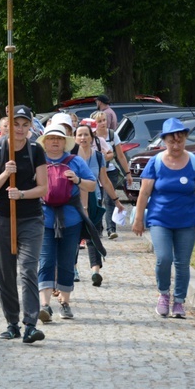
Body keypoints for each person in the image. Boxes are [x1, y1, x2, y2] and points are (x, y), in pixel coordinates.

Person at [132, 118, 195, 319]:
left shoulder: (194, 161)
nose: (176, 146)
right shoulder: (155, 162)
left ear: (185, 140)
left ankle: (179, 301)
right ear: (164, 141)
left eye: (180, 141)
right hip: (160, 219)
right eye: (171, 142)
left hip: (186, 220)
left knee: (182, 263)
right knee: (164, 258)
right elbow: (144, 193)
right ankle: (164, 294)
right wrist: (139, 218)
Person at [0, 106, 48, 344]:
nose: (20, 129)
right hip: (1, 218)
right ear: (8, 126)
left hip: (31, 218)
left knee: (29, 269)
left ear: (30, 126)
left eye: (24, 124)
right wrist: (5, 174)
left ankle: (30, 324)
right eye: (16, 124)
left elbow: (43, 188)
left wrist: (20, 194)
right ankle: (12, 323)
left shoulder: (35, 150)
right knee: (5, 273)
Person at [36, 124, 96, 322]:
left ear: (65, 142)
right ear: (45, 142)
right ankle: (44, 305)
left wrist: (77, 180)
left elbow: (92, 184)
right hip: (44, 219)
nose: (55, 142)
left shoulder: (75, 161)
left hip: (71, 220)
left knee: (67, 262)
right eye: (51, 138)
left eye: (59, 139)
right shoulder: (38, 161)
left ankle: (65, 302)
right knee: (45, 260)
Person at [72, 123, 124, 287]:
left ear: (92, 137)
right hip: (73, 201)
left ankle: (96, 271)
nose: (82, 138)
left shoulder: (99, 156)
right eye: (79, 135)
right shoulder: (70, 156)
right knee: (73, 237)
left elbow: (105, 181)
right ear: (74, 138)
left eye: (86, 135)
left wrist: (116, 200)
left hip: (94, 200)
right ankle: (72, 269)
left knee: (93, 236)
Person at [92, 110, 133, 239]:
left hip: (110, 171)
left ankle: (111, 229)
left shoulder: (112, 134)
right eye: (99, 121)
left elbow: (120, 155)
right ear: (94, 123)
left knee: (110, 199)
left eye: (104, 120)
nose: (103, 123)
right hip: (95, 173)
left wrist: (127, 173)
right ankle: (98, 229)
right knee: (98, 200)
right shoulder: (90, 135)